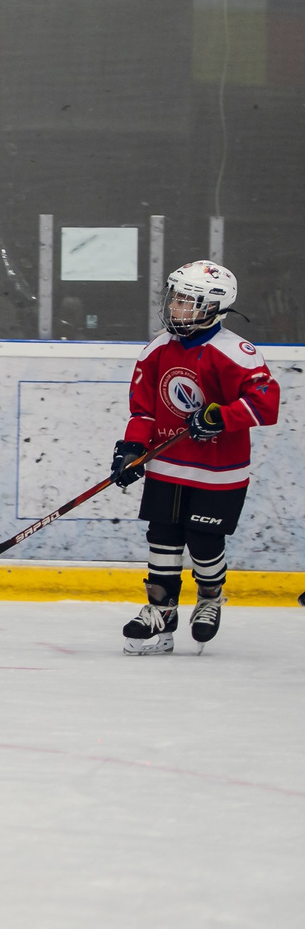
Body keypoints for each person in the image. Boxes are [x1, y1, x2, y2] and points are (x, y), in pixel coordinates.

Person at [113, 260, 280, 655]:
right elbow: (143, 409)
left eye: (187, 302)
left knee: (205, 543)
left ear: (212, 307)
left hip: (218, 471)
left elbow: (265, 403)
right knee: (163, 538)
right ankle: (161, 610)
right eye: (175, 300)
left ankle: (209, 597)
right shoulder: (157, 348)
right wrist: (133, 449)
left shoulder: (235, 352)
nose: (176, 309)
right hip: (167, 465)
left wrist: (221, 417)